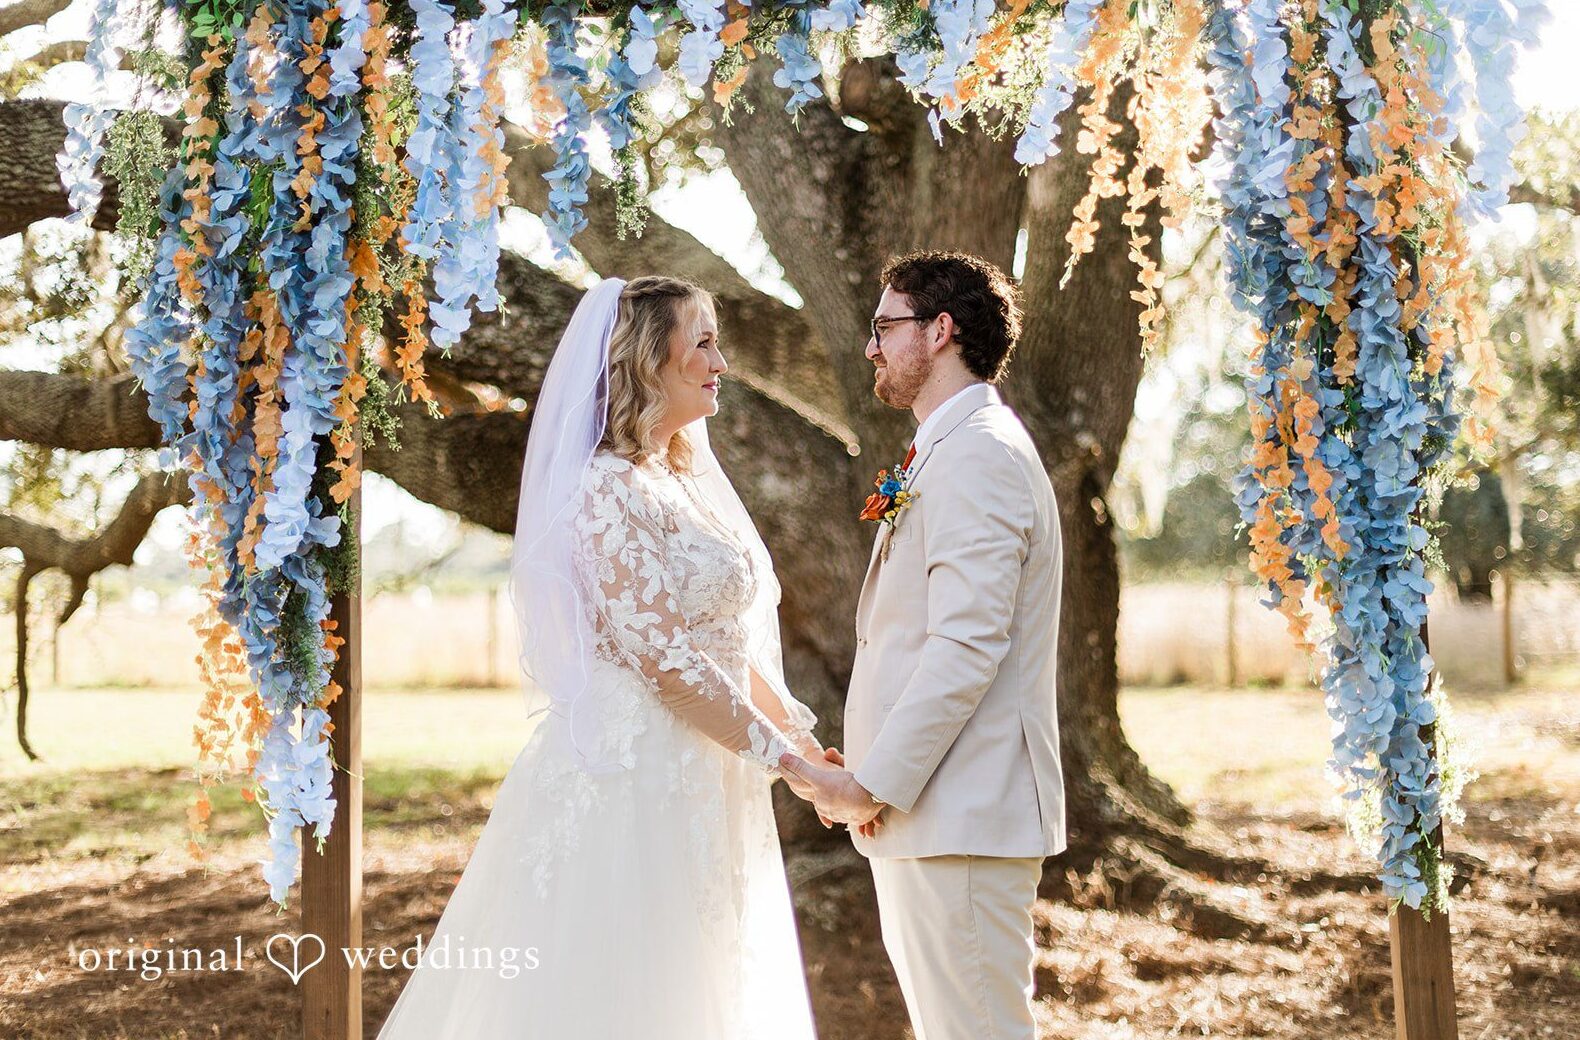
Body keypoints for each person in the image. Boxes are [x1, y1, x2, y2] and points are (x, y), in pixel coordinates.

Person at [376, 275, 822, 1040]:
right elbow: (668, 662)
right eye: (704, 342)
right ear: (650, 359)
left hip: (710, 769)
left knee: (708, 972)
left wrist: (800, 738)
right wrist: (796, 766)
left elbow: (724, 637)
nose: (722, 363)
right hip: (635, 771)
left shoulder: (681, 482)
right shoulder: (602, 491)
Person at [779, 251, 1066, 1040]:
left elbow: (967, 647)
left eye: (885, 326)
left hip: (962, 816)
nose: (870, 347)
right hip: (934, 816)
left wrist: (873, 783)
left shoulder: (978, 453)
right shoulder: (950, 447)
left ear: (941, 331)